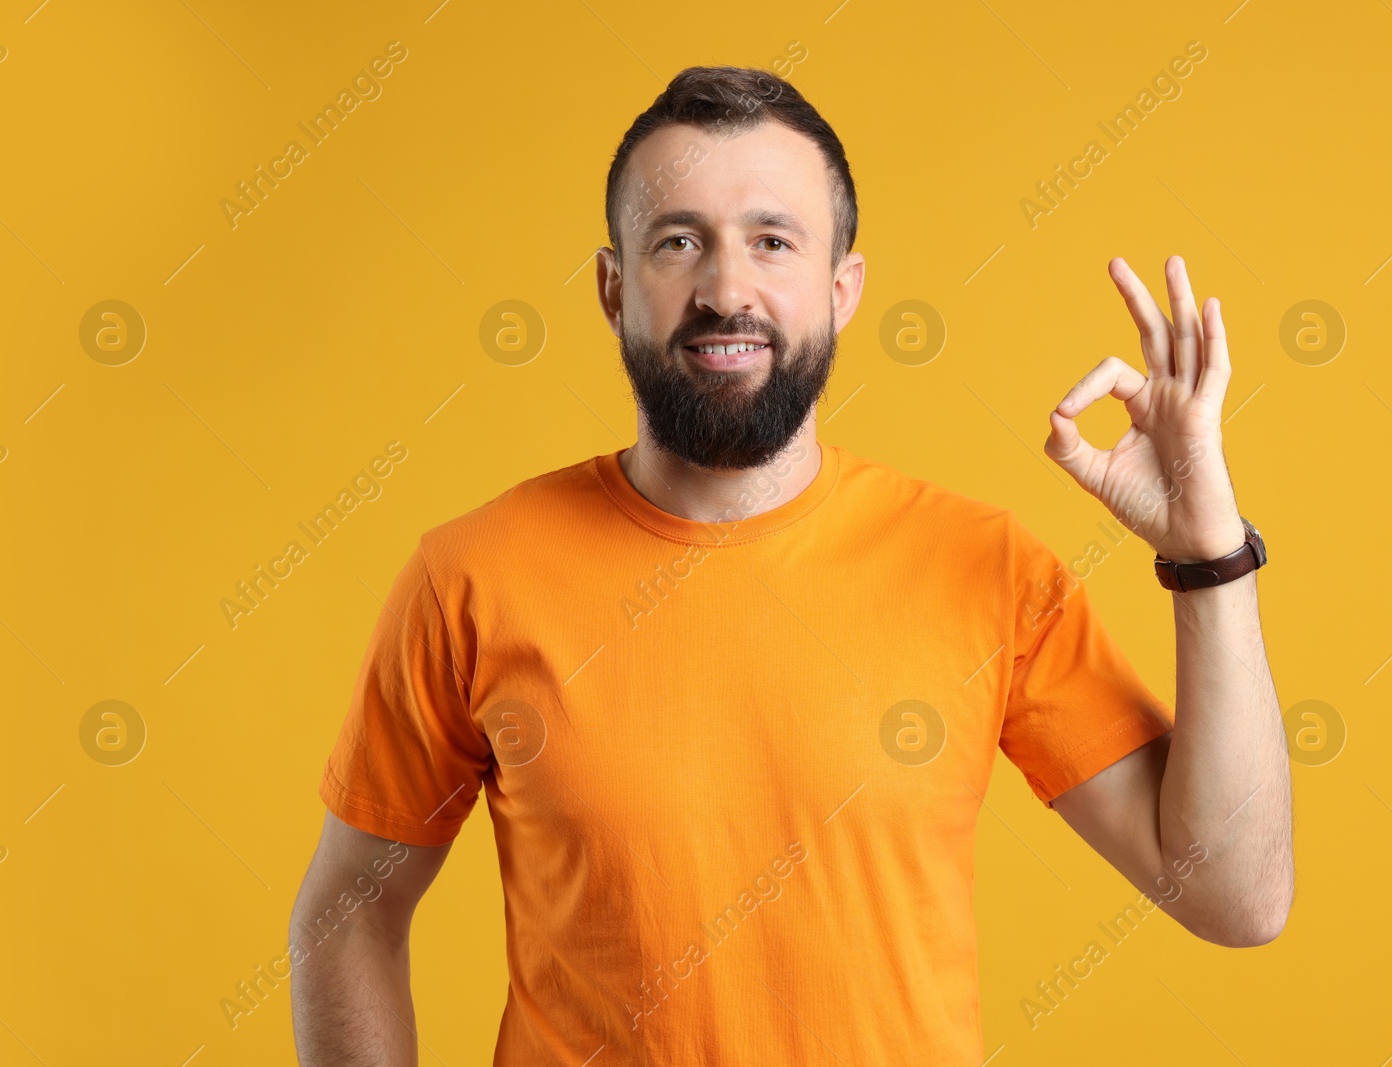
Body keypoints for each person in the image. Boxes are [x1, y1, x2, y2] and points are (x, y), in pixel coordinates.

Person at [289, 65, 1293, 1065]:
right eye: (678, 241)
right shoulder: (471, 576)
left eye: (772, 242)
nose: (727, 290)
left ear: (840, 287)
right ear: (612, 286)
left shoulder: (981, 567)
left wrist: (1207, 553)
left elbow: (1233, 894)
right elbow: (346, 914)